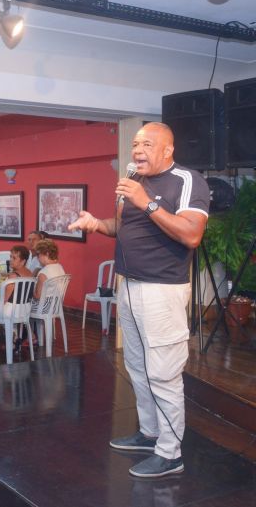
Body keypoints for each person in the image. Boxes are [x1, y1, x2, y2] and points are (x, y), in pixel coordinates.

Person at [68, 122, 209, 478]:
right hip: (128, 285)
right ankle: (150, 433)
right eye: (135, 144)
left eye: (147, 144)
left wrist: (146, 202)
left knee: (163, 372)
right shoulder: (132, 180)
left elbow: (192, 234)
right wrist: (95, 223)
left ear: (168, 150)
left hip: (162, 290)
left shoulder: (187, 181)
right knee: (137, 366)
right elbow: (121, 227)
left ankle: (170, 453)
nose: (137, 150)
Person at [30, 239, 66, 315]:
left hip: (44, 308)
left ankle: (23, 323)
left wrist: (29, 288)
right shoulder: (59, 267)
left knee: (22, 306)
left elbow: (38, 296)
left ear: (47, 254)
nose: (37, 258)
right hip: (56, 305)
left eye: (38, 255)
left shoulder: (43, 273)